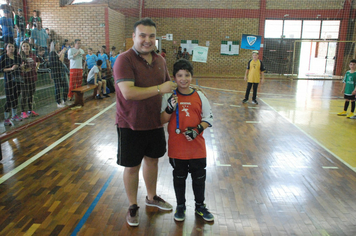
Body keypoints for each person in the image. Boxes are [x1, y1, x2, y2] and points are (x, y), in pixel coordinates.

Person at [113, 17, 177, 227]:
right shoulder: (124, 59)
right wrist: (160, 89)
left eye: (151, 36)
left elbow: (168, 86)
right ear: (134, 37)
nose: (147, 40)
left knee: (153, 160)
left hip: (154, 122)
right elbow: (128, 92)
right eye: (142, 35)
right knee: (132, 167)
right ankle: (133, 205)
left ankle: (151, 197)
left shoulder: (160, 60)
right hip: (129, 124)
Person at [160, 59, 214, 222]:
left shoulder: (200, 95)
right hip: (177, 147)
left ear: (192, 76)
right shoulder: (169, 96)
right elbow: (162, 119)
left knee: (199, 177)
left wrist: (197, 130)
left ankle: (200, 206)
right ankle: (181, 206)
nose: (183, 79)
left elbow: (209, 117)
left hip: (197, 147)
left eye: (187, 75)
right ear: (174, 77)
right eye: (180, 75)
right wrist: (169, 108)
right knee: (179, 177)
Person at [0, 42, 23, 126]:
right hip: (8, 80)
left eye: (12, 46)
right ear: (6, 48)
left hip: (17, 80)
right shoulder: (3, 57)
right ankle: (6, 118)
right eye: (9, 46)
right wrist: (11, 68)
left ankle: (14, 115)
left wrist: (21, 67)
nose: (11, 48)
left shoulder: (17, 57)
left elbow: (20, 66)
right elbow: (1, 69)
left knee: (16, 97)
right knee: (9, 99)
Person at [19, 41, 40, 119]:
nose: (26, 48)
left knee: (31, 95)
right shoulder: (19, 56)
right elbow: (19, 67)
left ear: (29, 47)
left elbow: (38, 61)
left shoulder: (32, 55)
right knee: (24, 95)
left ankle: (30, 110)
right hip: (24, 78)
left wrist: (36, 68)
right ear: (21, 47)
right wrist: (23, 69)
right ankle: (22, 112)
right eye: (24, 46)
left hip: (32, 77)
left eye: (27, 46)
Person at [49, 41, 69, 107]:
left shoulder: (56, 53)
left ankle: (64, 100)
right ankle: (58, 102)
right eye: (57, 45)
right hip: (56, 73)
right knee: (57, 88)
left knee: (66, 86)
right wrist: (63, 53)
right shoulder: (52, 53)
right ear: (54, 46)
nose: (59, 46)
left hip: (61, 72)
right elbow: (60, 61)